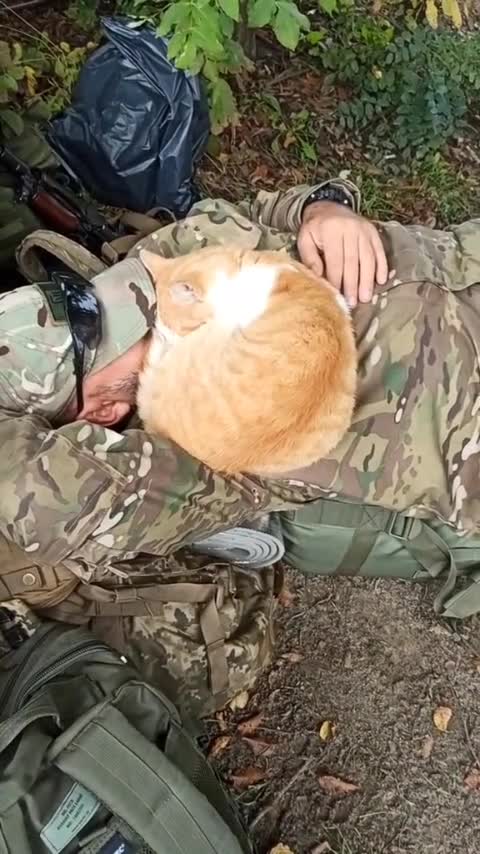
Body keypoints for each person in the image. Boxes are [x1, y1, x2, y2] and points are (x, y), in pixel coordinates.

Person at [1, 175, 480, 703]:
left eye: (82, 308)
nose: (120, 316)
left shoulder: (151, 269)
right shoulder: (198, 450)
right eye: (89, 349)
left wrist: (322, 207)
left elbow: (255, 210)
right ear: (100, 411)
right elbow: (39, 500)